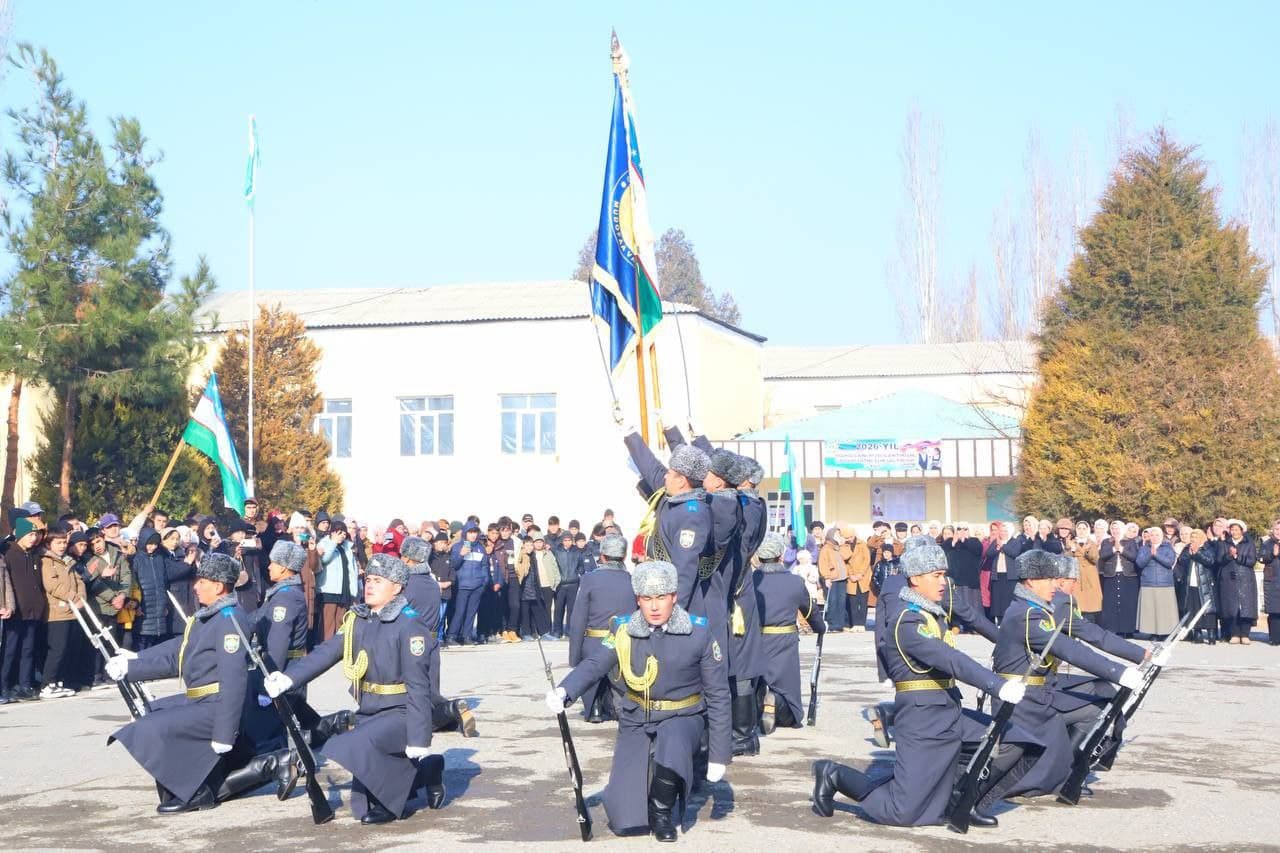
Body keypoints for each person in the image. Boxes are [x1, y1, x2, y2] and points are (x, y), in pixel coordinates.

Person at [812, 542, 1026, 828]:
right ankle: (835, 775)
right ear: (915, 579)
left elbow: (967, 629)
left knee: (1016, 741)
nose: (943, 582)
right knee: (903, 812)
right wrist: (996, 685)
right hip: (921, 719)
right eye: (936, 575)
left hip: (949, 711)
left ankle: (961, 800)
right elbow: (949, 658)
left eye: (944, 575)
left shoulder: (932, 612)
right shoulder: (908, 620)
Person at [545, 560, 731, 841]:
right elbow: (596, 662)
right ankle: (638, 790)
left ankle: (661, 810)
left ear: (674, 597)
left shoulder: (699, 632)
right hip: (637, 714)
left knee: (674, 740)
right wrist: (565, 690)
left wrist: (719, 754)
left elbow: (718, 694)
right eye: (646, 598)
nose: (654, 607)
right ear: (638, 600)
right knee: (625, 820)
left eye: (661, 598)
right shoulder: (623, 629)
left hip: (683, 714)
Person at [268, 554, 442, 824]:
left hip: (403, 712)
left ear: (396, 587)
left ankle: (401, 794)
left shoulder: (409, 624)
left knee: (349, 744)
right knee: (362, 802)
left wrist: (419, 738)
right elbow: (326, 653)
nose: (369, 585)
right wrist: (289, 679)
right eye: (368, 579)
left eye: (378, 581)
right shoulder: (359, 619)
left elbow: (420, 685)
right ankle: (428, 772)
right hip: (370, 710)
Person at [106, 553, 267, 813]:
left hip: (215, 705)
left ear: (218, 586)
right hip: (200, 699)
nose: (195, 586)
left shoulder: (229, 620)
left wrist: (225, 733)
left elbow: (234, 680)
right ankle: (187, 784)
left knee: (150, 728)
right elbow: (179, 653)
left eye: (201, 581)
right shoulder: (209, 616)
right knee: (152, 712)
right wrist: (133, 663)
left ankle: (198, 792)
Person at [982, 550, 1142, 806]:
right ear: (1031, 582)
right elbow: (1069, 649)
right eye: (1048, 579)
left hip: (1038, 695)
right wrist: (1119, 671)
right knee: (1026, 767)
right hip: (1025, 704)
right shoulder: (1028, 614)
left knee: (1090, 715)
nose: (1055, 585)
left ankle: (1068, 776)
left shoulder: (1032, 608)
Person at [399, 536, 477, 738]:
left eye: (403, 555)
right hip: (432, 640)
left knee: (414, 698)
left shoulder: (406, 583)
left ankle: (450, 709)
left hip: (412, 642)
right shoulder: (432, 582)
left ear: (408, 558)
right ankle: (452, 711)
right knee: (430, 686)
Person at [754, 533, 824, 734]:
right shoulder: (794, 582)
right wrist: (820, 627)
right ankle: (776, 702)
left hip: (756, 639)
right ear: (781, 556)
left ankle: (760, 710)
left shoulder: (751, 580)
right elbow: (810, 610)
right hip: (784, 640)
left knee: (756, 682)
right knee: (787, 690)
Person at [567, 532, 635, 723]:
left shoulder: (589, 580)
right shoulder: (631, 580)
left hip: (595, 642)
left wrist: (575, 656)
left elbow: (579, 619)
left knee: (592, 669)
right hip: (623, 643)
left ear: (602, 556)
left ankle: (595, 707)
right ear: (624, 556)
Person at [39, 526, 87, 697]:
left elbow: (79, 581)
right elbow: (52, 585)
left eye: (64, 543)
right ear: (49, 543)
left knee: (68, 648)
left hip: (72, 611)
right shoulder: (47, 561)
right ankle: (47, 683)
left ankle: (60, 681)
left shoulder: (68, 560)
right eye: (58, 543)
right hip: (55, 613)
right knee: (57, 649)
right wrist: (72, 597)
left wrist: (81, 597)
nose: (62, 546)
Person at [1214, 519, 1258, 644]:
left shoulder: (1249, 544)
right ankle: (1234, 633)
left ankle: (1244, 634)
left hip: (1245, 579)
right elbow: (1219, 560)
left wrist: (1237, 556)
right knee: (1231, 607)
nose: (1234, 532)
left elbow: (1252, 561)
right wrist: (1229, 555)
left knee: (1246, 607)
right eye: (1232, 530)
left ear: (1242, 531)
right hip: (1229, 579)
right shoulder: (1224, 544)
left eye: (1237, 530)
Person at [317, 520, 359, 643]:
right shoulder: (324, 543)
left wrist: (354, 590)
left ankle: (337, 651)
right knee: (327, 624)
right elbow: (324, 560)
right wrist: (333, 542)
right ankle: (324, 650)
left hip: (344, 589)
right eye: (339, 532)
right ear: (332, 532)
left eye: (344, 533)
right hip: (328, 590)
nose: (342, 536)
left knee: (341, 623)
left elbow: (352, 568)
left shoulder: (348, 546)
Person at [1097, 520, 1139, 637]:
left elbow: (1134, 557)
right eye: (1113, 528)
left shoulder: (1130, 542)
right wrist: (1113, 550)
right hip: (1111, 575)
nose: (1115, 531)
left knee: (1127, 603)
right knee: (1111, 604)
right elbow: (1103, 555)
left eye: (1117, 528)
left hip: (1128, 575)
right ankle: (1112, 628)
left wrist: (1122, 550)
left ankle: (1127, 629)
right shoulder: (1106, 542)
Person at [1135, 525, 1179, 637]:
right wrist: (1150, 553)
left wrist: (1156, 554)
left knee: (1164, 610)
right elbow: (1139, 563)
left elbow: (1169, 562)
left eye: (1157, 535)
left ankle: (1165, 633)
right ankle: (1153, 632)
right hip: (1148, 582)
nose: (1154, 537)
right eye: (1152, 535)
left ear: (1162, 536)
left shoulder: (1168, 547)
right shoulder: (1144, 548)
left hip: (1164, 583)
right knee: (1151, 610)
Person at [1068, 521, 1102, 622]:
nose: (1081, 531)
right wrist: (1072, 551)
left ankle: (1090, 623)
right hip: (1076, 574)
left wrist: (1086, 551)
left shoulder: (1091, 543)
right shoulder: (1071, 542)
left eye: (1084, 529)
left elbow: (1095, 558)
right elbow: (1065, 557)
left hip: (1089, 575)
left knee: (1090, 603)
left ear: (1087, 530)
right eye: (1079, 528)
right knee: (1077, 601)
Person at [842, 525, 873, 632]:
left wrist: (860, 573)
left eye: (850, 537)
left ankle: (861, 623)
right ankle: (854, 623)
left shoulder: (862, 544)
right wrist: (851, 575)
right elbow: (844, 561)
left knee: (863, 601)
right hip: (851, 578)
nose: (849, 539)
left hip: (863, 577)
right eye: (846, 538)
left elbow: (867, 560)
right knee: (852, 601)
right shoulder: (844, 546)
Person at [551, 530, 581, 640]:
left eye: (569, 540)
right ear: (562, 541)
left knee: (571, 609)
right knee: (559, 609)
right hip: (561, 584)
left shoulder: (576, 551)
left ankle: (569, 631)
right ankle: (557, 631)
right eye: (565, 540)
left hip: (573, 583)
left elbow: (581, 565)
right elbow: (554, 566)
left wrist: (578, 575)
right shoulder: (557, 551)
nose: (567, 542)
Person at [817, 527, 848, 633]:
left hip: (842, 578)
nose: (838, 536)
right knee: (832, 601)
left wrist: (842, 544)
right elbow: (823, 564)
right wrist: (827, 577)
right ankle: (832, 624)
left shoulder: (838, 547)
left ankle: (839, 624)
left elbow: (848, 555)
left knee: (841, 601)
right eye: (836, 535)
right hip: (832, 579)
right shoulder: (826, 548)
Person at [1260, 520, 1280, 645]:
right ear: (1273, 530)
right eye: (1277, 529)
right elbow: (1261, 557)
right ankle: (1274, 637)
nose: (1279, 532)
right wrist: (1273, 554)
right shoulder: (1267, 543)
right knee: (1274, 611)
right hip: (1272, 580)